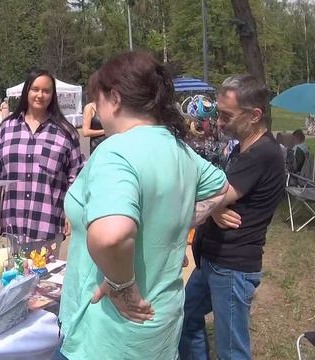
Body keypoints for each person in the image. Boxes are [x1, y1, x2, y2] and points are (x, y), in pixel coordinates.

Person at [55, 51, 228, 359]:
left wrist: (122, 285)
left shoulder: (116, 151)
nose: (98, 114)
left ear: (116, 99)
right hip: (160, 324)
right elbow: (222, 187)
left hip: (108, 333)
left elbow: (111, 236)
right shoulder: (180, 150)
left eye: (99, 103)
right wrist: (183, 219)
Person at [180, 75, 286, 360]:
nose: (219, 122)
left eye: (226, 116)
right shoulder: (242, 148)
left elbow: (213, 196)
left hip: (232, 265)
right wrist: (215, 208)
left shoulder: (262, 153)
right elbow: (217, 198)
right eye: (218, 114)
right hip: (213, 259)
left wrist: (210, 207)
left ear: (254, 115)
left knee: (231, 350)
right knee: (187, 316)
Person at [0, 69, 85, 249]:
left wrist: (71, 214)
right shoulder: (7, 128)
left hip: (47, 223)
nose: (40, 95)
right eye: (35, 89)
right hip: (13, 222)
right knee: (16, 276)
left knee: (45, 276)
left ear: (52, 95)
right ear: (27, 91)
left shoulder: (65, 132)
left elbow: (76, 177)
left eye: (46, 91)